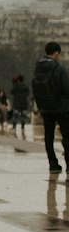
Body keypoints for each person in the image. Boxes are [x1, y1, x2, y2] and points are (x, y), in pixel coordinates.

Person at [32, 41, 69, 173]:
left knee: (49, 136)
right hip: (61, 107)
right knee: (66, 136)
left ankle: (52, 163)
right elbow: (66, 88)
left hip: (46, 107)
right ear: (56, 53)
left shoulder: (38, 68)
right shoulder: (59, 68)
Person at [9, 74, 31, 138]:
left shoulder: (16, 86)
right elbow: (27, 94)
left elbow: (11, 92)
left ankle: (14, 127)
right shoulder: (26, 86)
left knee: (15, 117)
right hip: (24, 103)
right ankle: (22, 128)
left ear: (18, 80)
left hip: (16, 103)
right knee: (23, 117)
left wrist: (14, 83)